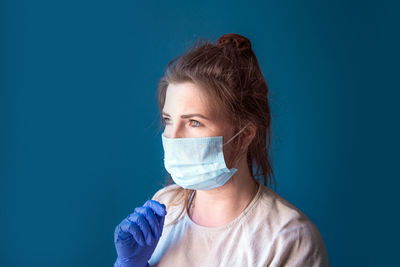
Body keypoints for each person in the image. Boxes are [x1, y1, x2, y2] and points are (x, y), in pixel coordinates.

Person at [113, 33, 329, 267]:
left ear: (245, 135)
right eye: (168, 120)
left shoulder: (287, 239)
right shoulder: (164, 209)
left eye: (194, 122)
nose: (172, 137)